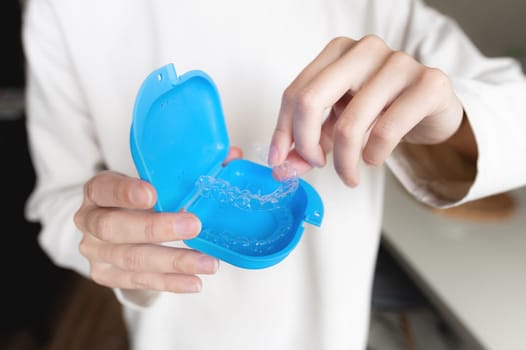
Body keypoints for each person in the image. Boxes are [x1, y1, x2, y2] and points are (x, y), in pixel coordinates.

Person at [22, 0, 526, 349]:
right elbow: (56, 200)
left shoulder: (381, 8)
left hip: (335, 331)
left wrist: (454, 120)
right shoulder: (64, 11)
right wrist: (110, 241)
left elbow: (515, 116)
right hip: (173, 335)